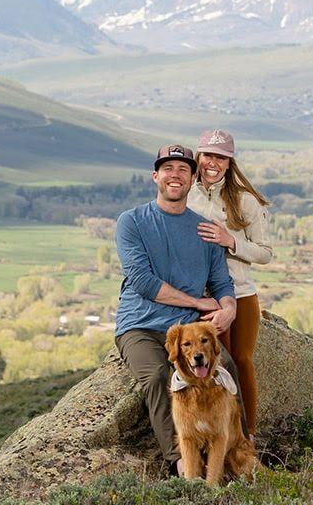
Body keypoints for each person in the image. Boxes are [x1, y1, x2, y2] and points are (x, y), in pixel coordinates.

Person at [114, 143, 240, 474]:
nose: (175, 175)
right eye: (168, 169)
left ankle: (232, 452)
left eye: (183, 169)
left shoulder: (203, 229)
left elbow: (222, 283)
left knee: (226, 371)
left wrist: (228, 308)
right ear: (156, 176)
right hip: (139, 326)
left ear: (193, 178)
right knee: (158, 378)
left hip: (188, 330)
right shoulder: (132, 222)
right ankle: (181, 463)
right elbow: (143, 281)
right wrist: (198, 302)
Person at [187, 128, 272, 439]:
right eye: (209, 155)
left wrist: (231, 241)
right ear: (199, 156)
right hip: (201, 296)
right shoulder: (186, 194)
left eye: (221, 158)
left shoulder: (245, 201)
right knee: (208, 366)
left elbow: (265, 253)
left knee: (242, 360)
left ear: (229, 162)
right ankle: (210, 432)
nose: (214, 163)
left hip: (241, 293)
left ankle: (248, 434)